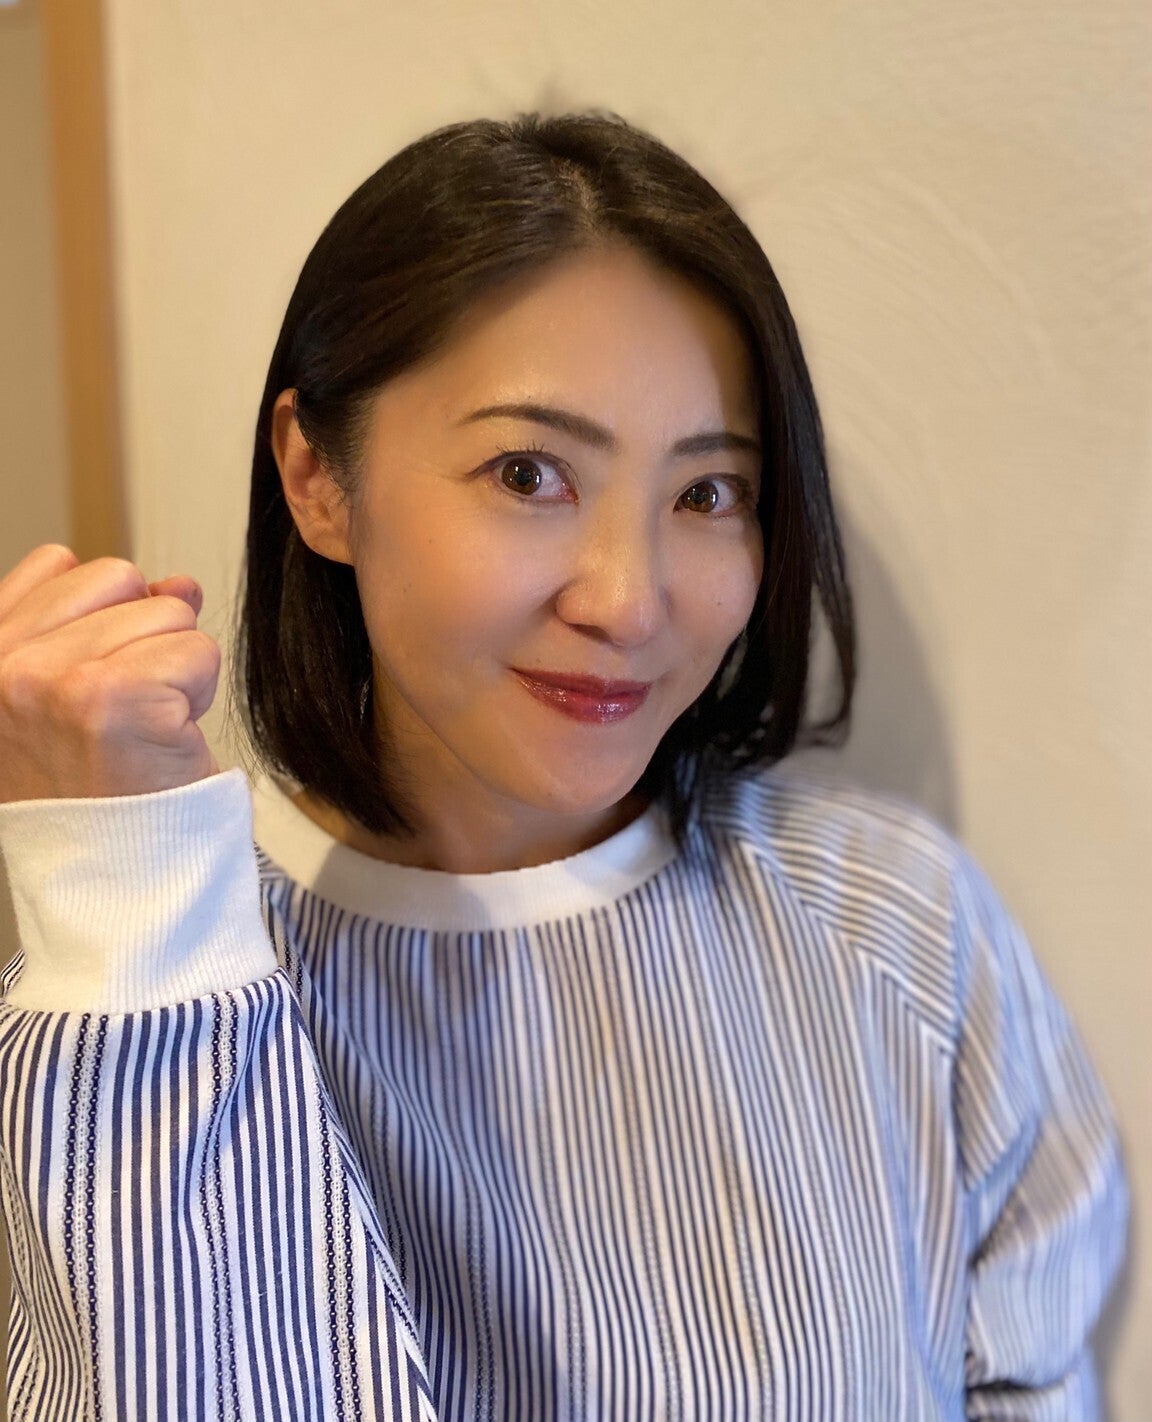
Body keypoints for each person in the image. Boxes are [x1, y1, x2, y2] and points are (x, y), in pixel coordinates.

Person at [0, 110, 1128, 1421]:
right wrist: (129, 896)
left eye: (706, 493)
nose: (627, 600)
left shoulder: (897, 927)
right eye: (529, 472)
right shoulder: (143, 981)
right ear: (317, 478)